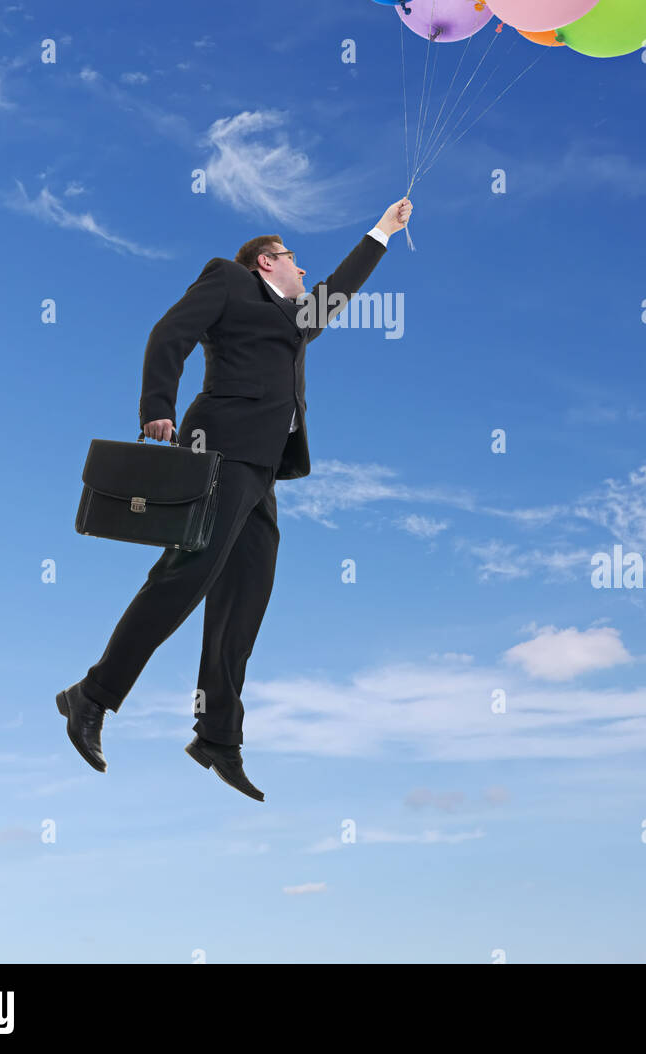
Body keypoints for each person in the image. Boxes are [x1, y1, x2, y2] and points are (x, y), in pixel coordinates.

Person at [57, 196, 413, 801]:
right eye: (296, 260)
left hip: (264, 469)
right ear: (266, 263)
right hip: (218, 450)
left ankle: (218, 734)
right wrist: (158, 409)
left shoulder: (298, 317)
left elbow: (340, 289)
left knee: (244, 597)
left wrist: (383, 230)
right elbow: (170, 333)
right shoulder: (228, 279)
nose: (305, 271)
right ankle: (91, 697)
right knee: (184, 577)